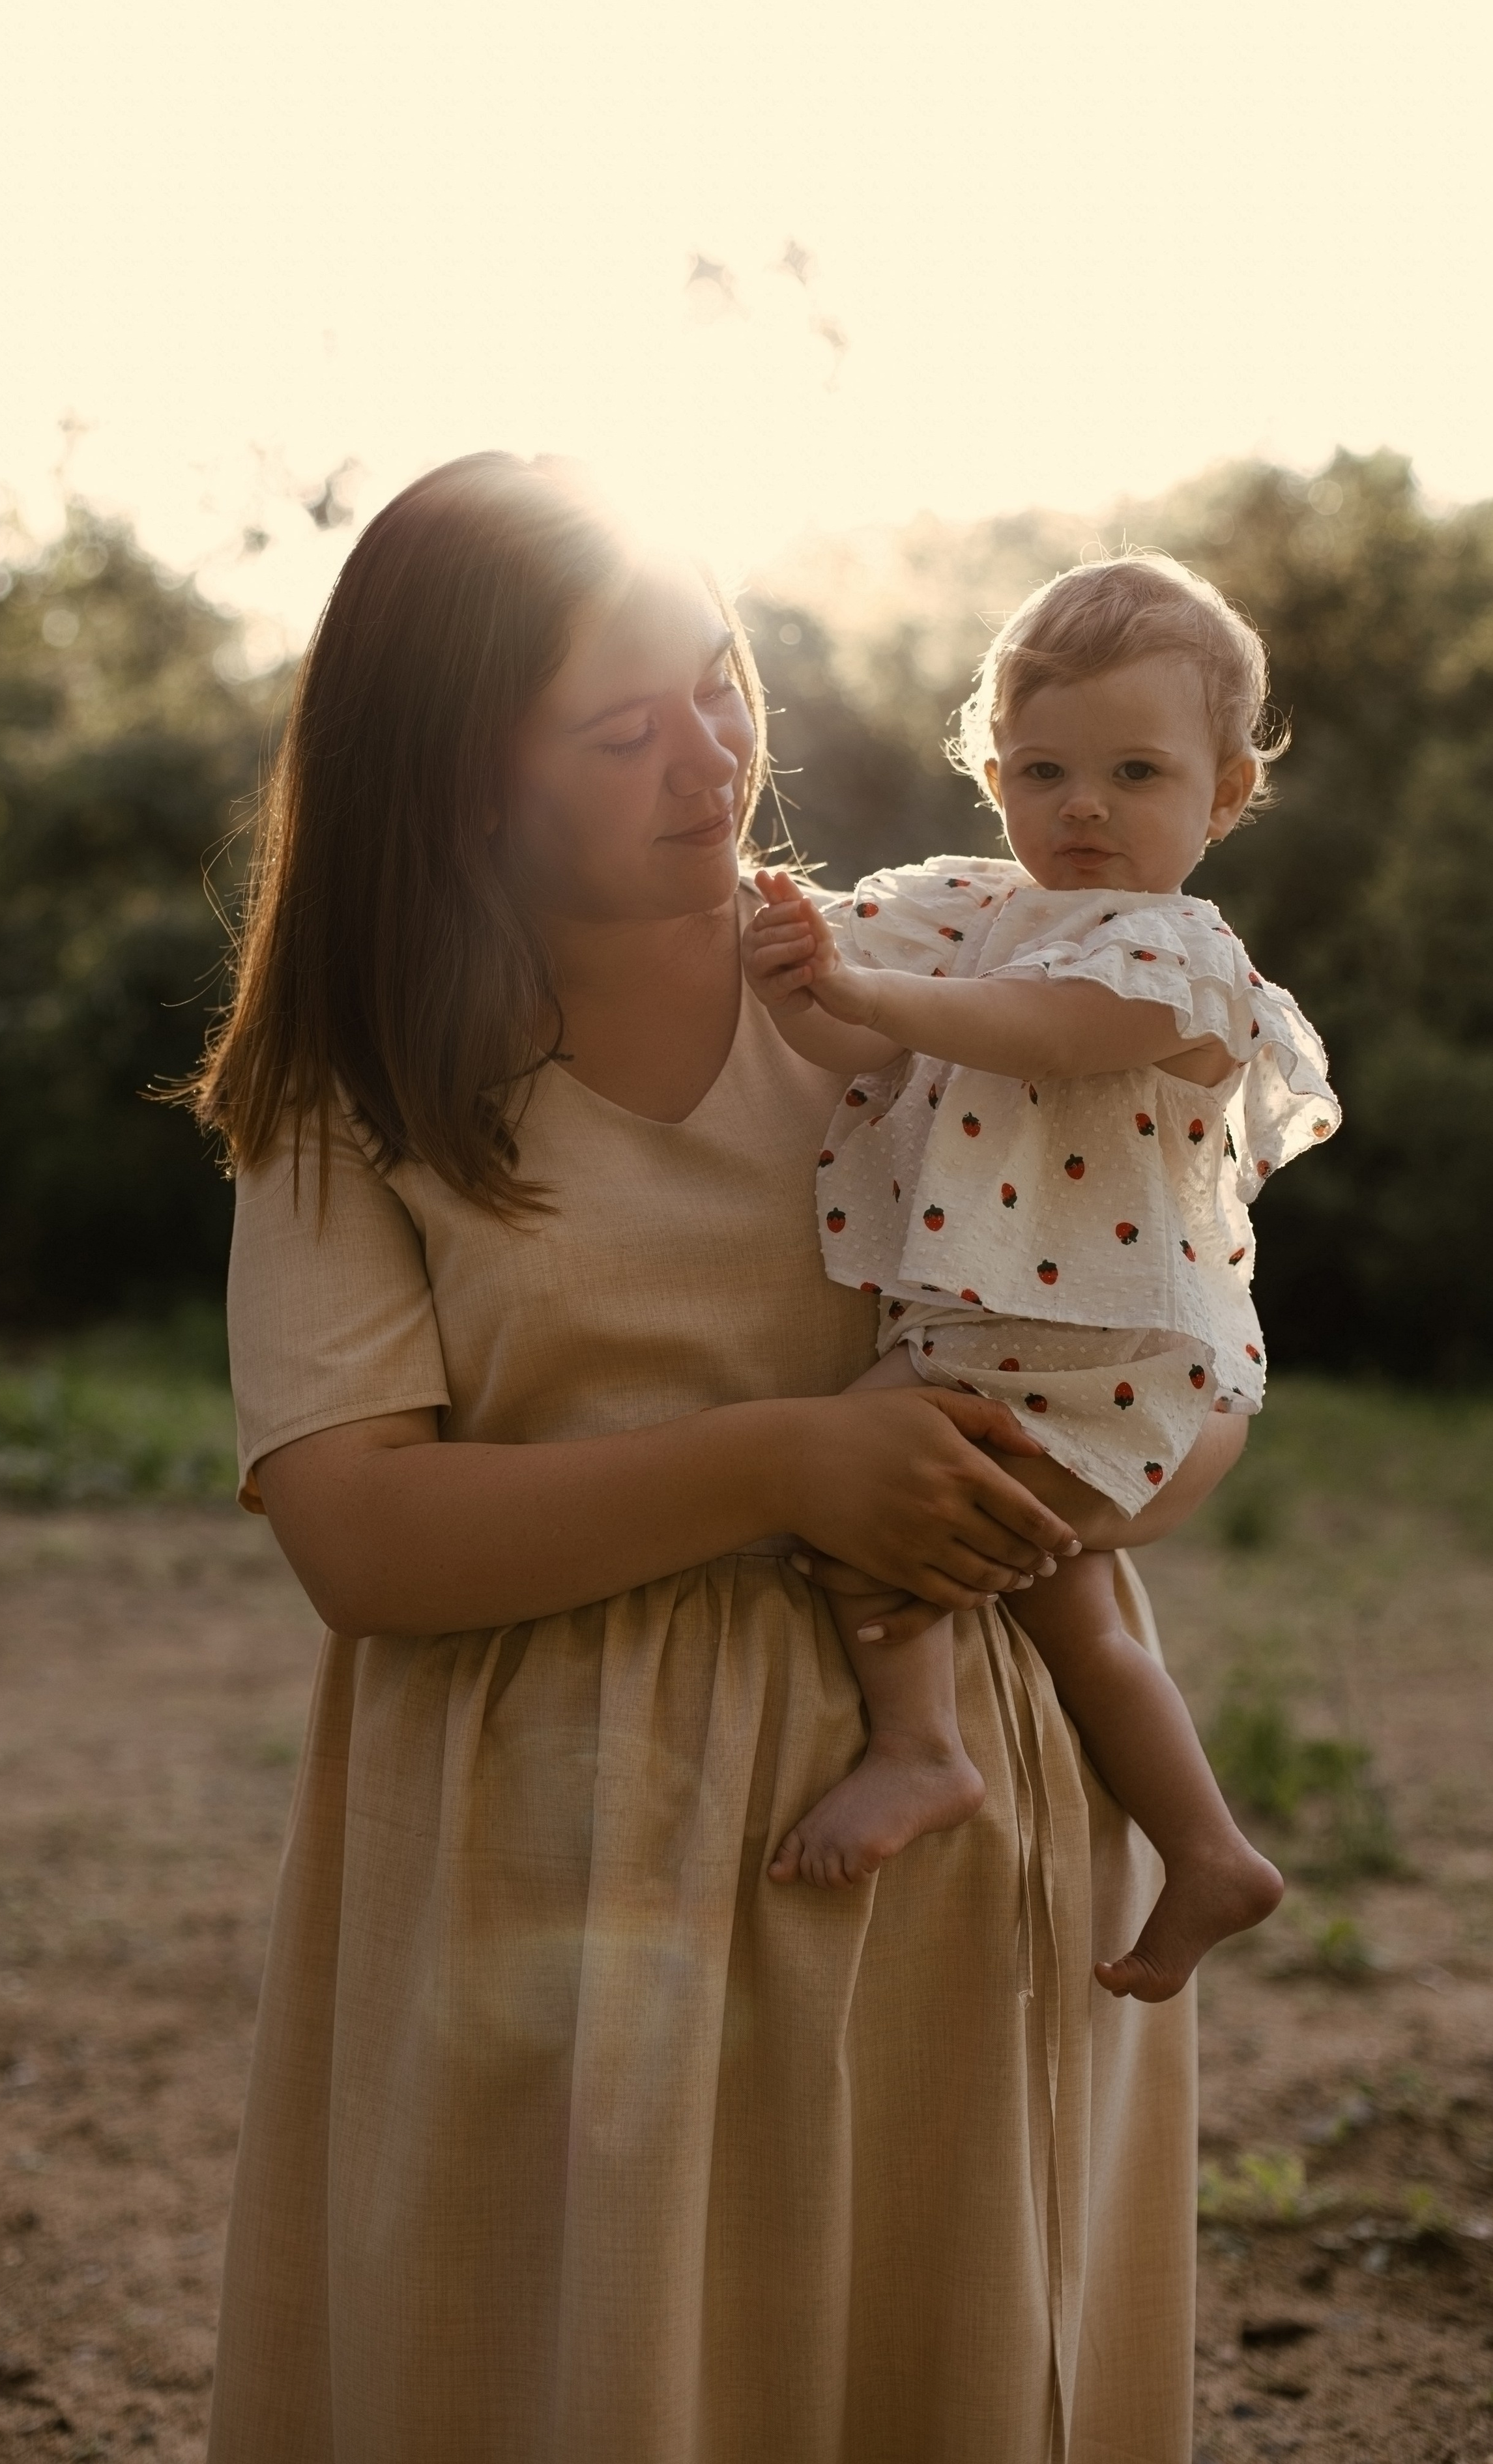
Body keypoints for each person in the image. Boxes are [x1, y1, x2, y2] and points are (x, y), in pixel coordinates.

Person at [192, 457, 1245, 2463]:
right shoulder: (361, 1081)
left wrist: (1088, 1482)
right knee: (572, 2374)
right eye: (621, 731)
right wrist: (783, 1466)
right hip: (553, 1880)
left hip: (945, 1858)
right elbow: (356, 1532)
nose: (711, 758)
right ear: (460, 779)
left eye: (723, 683)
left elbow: (1177, 1342)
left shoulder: (921, 988)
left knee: (925, 2364)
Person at [742, 552, 1338, 2001]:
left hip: (1089, 1341)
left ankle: (921, 1749)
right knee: (1069, 1607)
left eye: (1136, 773)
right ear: (991, 772)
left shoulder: (1182, 961)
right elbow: (851, 1044)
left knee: (859, 1489)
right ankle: (1209, 1850)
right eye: (1043, 770)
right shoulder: (965, 911)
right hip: (1013, 1335)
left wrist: (867, 990)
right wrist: (802, 984)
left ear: (1222, 797)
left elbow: (1046, 1032)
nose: (1083, 807)